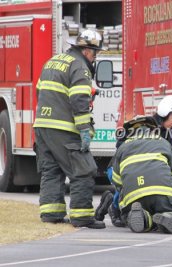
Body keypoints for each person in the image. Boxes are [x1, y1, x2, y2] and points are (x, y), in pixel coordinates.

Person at [33, 29, 105, 228]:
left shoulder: (52, 62)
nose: (95, 57)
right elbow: (79, 100)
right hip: (64, 129)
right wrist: (84, 129)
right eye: (95, 53)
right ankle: (82, 216)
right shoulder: (79, 67)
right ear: (87, 51)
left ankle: (51, 214)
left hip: (42, 126)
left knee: (52, 170)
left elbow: (40, 91)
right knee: (83, 170)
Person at [95, 95, 172, 227]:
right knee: (130, 179)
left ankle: (141, 214)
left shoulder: (166, 134)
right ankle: (115, 208)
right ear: (164, 113)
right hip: (118, 167)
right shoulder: (142, 124)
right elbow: (121, 150)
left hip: (135, 167)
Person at [111, 117, 172, 234]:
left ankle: (145, 218)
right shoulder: (163, 142)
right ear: (153, 129)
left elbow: (117, 181)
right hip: (163, 192)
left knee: (129, 213)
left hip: (134, 197)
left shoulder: (122, 148)